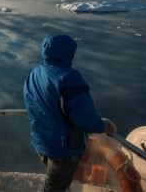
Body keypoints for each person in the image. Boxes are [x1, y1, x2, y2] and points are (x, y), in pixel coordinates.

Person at [23, 35, 116, 192]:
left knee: (55, 182)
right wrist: (104, 126)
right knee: (55, 187)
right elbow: (84, 116)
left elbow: (32, 103)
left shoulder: (35, 73)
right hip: (63, 149)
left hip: (41, 142)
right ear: (67, 53)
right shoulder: (69, 78)